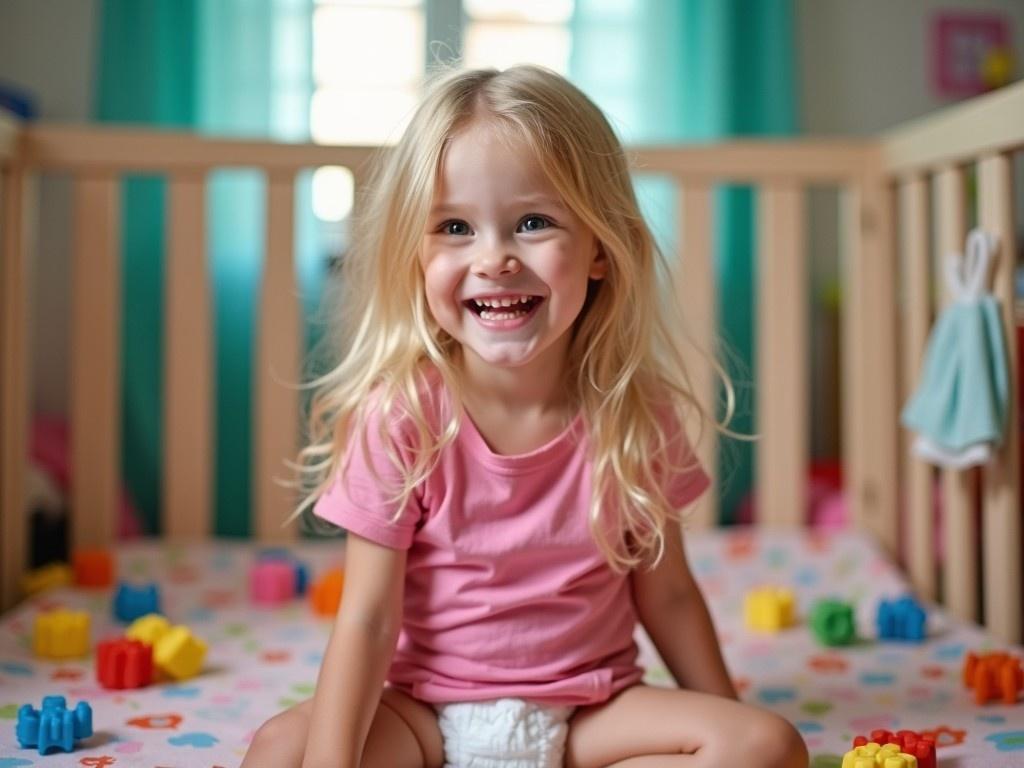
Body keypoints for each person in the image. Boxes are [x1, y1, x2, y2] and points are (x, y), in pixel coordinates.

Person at [242, 64, 808, 768]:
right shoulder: (403, 414)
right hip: (424, 715)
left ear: (601, 248)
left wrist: (725, 712)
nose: (495, 258)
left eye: (533, 223)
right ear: (416, 258)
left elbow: (670, 597)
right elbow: (367, 618)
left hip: (589, 718)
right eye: (454, 227)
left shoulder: (635, 413)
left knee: (767, 746)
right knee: (281, 750)